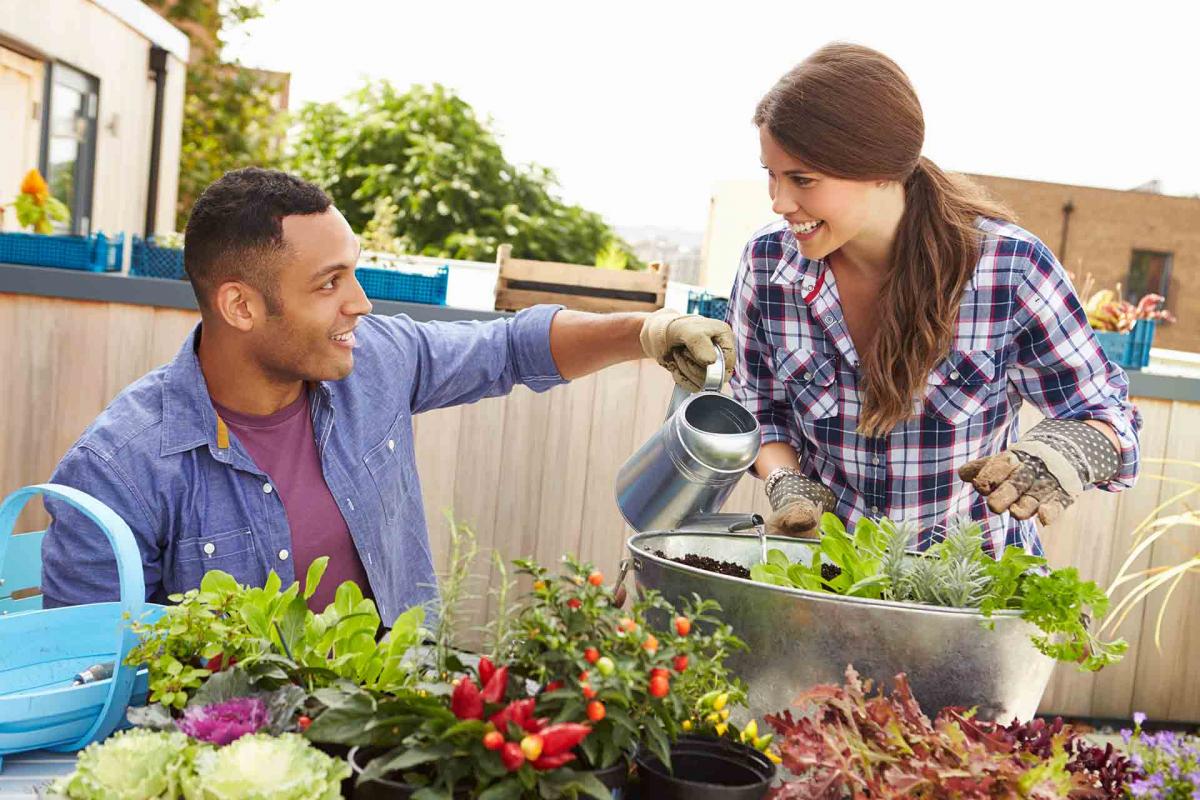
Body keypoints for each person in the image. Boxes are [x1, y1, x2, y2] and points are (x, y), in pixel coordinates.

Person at [40, 167, 734, 625]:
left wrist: (646, 330)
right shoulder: (119, 468)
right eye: (329, 283)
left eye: (355, 275)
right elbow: (93, 678)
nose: (361, 304)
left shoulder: (371, 366)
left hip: (400, 727)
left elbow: (512, 347)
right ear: (240, 306)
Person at [729, 43, 1140, 555]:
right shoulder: (768, 266)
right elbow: (756, 407)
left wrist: (1068, 452)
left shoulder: (1007, 267)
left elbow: (1108, 415)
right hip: (826, 571)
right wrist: (786, 481)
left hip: (969, 589)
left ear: (881, 169)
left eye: (802, 180)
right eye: (771, 173)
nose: (779, 202)